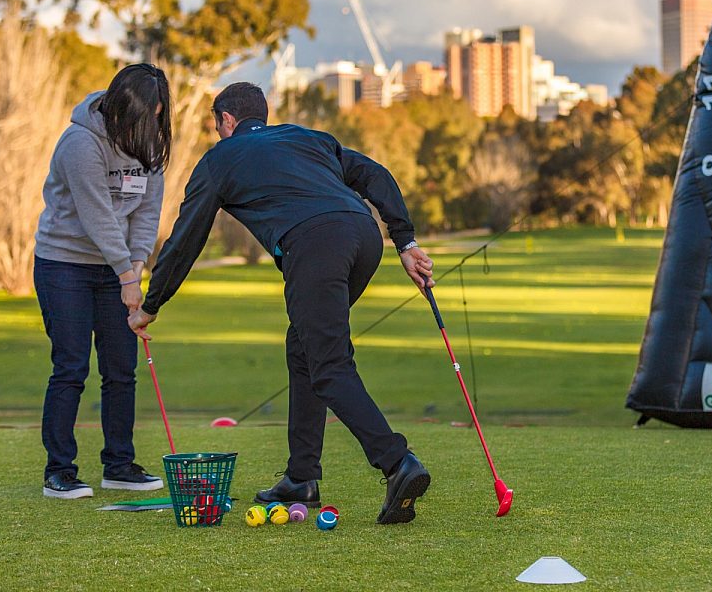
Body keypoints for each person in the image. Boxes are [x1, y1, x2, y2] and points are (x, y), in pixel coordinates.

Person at [128, 81, 436, 525]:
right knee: (304, 348)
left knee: (328, 364)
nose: (217, 135)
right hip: (363, 236)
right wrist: (405, 241)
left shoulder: (220, 159)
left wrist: (151, 304)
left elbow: (185, 239)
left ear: (227, 121)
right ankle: (301, 477)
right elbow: (375, 175)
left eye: (217, 126)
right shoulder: (309, 138)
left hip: (315, 246)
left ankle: (397, 462)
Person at [34, 63, 171, 499]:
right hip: (64, 264)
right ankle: (59, 470)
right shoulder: (80, 142)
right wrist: (127, 276)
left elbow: (147, 214)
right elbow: (97, 216)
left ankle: (119, 465)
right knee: (71, 367)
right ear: (120, 108)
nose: (150, 123)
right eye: (144, 115)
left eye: (156, 115)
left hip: (116, 268)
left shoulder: (151, 145)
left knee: (120, 370)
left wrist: (136, 265)